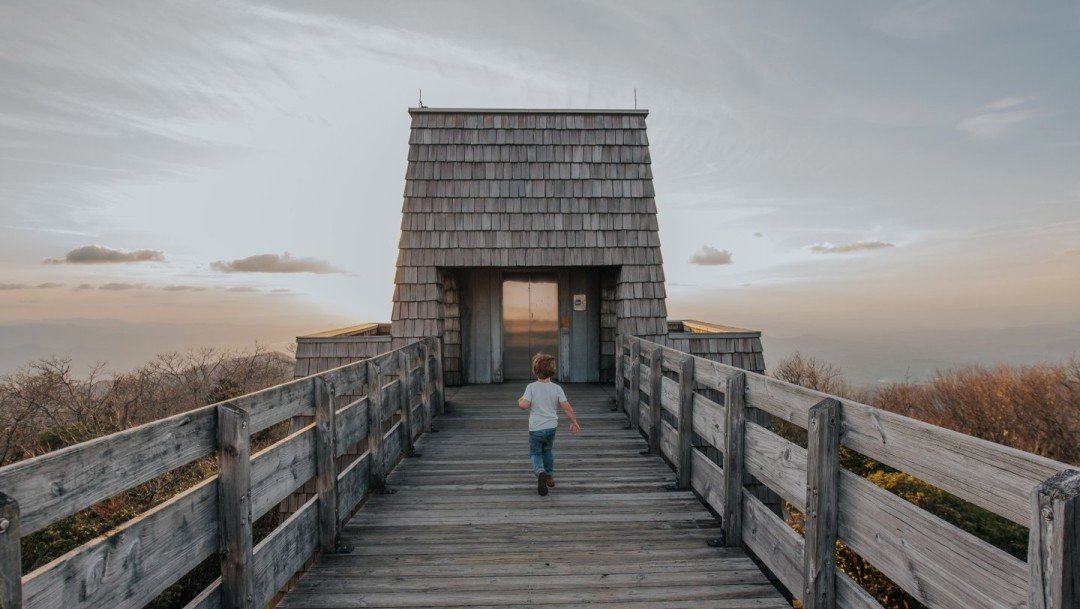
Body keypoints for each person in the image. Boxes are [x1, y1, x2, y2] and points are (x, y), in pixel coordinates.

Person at [517, 352, 581, 496]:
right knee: (547, 451)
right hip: (551, 427)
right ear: (552, 371)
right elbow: (566, 406)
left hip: (536, 428)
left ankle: (540, 471)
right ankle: (550, 476)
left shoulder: (531, 387)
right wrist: (574, 422)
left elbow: (524, 405)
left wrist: (520, 400)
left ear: (535, 371)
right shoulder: (557, 388)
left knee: (535, 452)